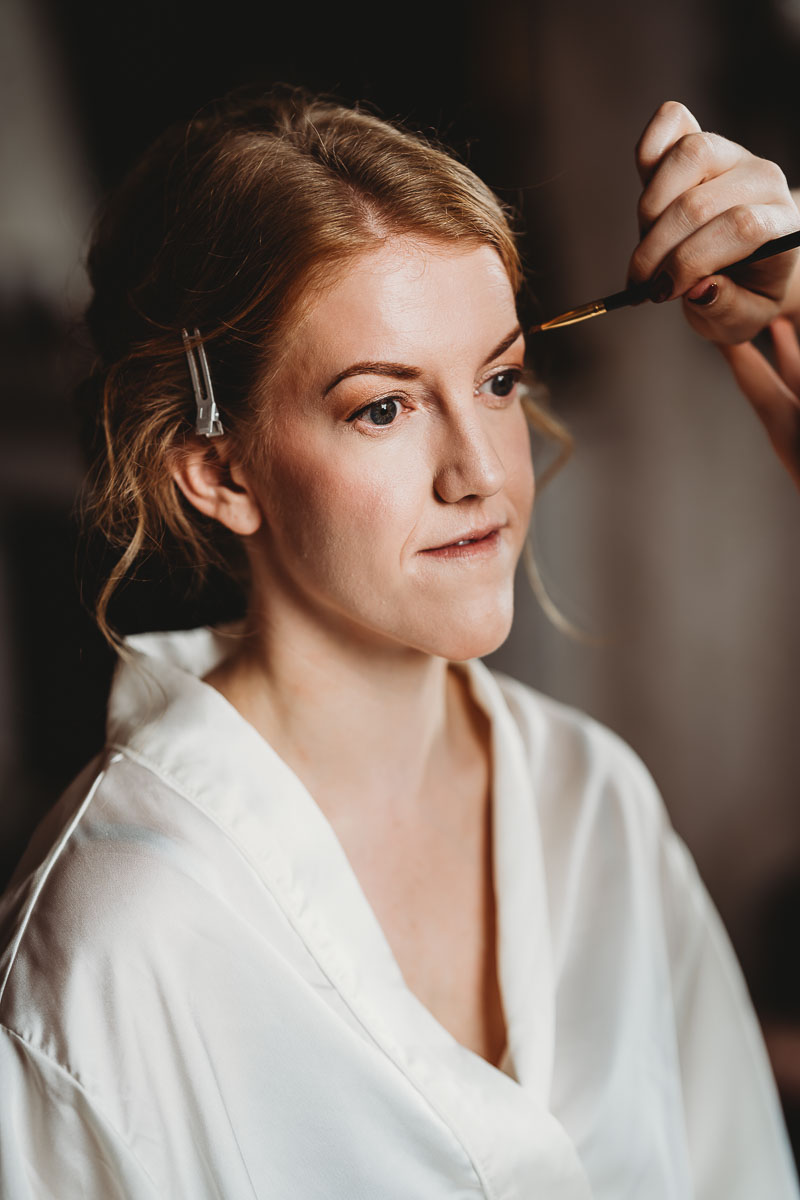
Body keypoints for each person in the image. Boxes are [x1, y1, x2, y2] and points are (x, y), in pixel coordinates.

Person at [0, 88, 797, 1198]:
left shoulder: (593, 802)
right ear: (219, 470)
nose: (479, 471)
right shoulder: (115, 948)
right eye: (383, 407)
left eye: (498, 379)